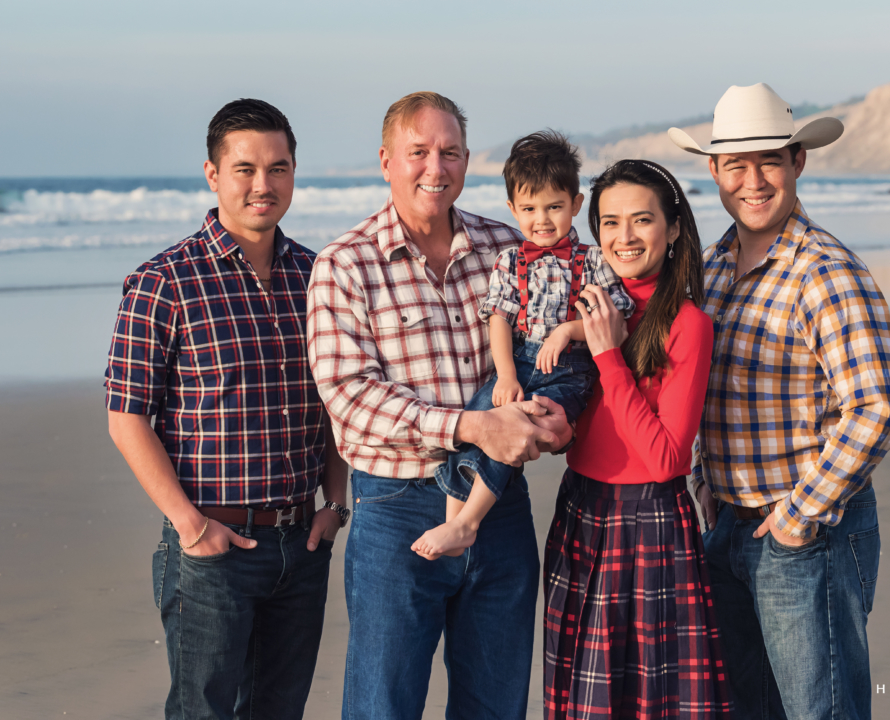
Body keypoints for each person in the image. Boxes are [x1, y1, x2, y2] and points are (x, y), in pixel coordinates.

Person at [306, 92, 572, 720]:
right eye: (419, 152)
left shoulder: (508, 248)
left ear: (467, 160)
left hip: (498, 506)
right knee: (383, 704)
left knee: (496, 703)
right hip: (397, 507)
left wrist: (558, 419)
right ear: (386, 160)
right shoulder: (344, 265)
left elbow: (546, 357)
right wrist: (471, 425)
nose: (436, 167)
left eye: (449, 152)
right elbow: (349, 394)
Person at [105, 98, 349, 720]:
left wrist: (334, 503)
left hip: (303, 544)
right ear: (213, 174)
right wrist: (189, 526)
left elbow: (337, 400)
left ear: (294, 172)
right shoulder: (165, 281)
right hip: (212, 548)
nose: (262, 185)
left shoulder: (318, 277)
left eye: (278, 168)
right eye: (244, 169)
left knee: (280, 711)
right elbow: (126, 415)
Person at [668, 83, 890, 719]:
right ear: (713, 170)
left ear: (798, 161)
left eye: (769, 160)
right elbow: (704, 393)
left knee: (820, 711)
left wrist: (800, 516)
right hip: (728, 530)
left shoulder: (826, 270)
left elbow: (875, 409)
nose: (753, 180)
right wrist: (703, 480)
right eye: (736, 165)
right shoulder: (709, 270)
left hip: (807, 536)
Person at [543, 160, 730, 719]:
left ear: (673, 229)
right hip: (580, 511)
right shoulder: (589, 304)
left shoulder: (688, 322)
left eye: (642, 220)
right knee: (580, 698)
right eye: (609, 222)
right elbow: (580, 428)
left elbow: (668, 458)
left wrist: (607, 354)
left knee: (650, 705)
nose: (624, 238)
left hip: (649, 524)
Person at [411, 130, 633, 560]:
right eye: (529, 209)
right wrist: (507, 375)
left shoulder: (593, 262)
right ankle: (455, 519)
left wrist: (568, 330)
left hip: (569, 373)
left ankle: (468, 522)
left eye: (554, 207)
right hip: (519, 363)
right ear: (513, 209)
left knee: (520, 427)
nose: (543, 219)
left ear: (576, 203)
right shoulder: (509, 261)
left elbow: (617, 325)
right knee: (480, 415)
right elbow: (499, 320)